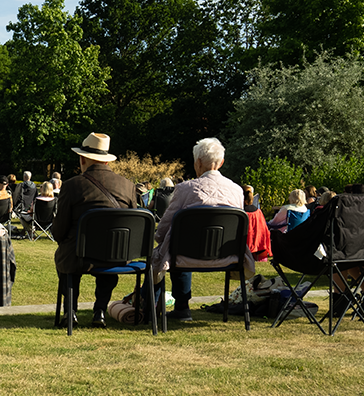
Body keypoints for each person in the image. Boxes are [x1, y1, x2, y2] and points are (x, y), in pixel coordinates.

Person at [149, 137, 254, 321]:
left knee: (174, 246)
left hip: (184, 256)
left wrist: (160, 238)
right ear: (221, 162)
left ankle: (165, 306)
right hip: (228, 256)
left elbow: (163, 229)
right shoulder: (237, 190)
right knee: (180, 244)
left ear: (197, 162)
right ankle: (180, 307)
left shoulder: (184, 189)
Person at [51, 132, 135, 329]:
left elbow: (59, 230)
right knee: (107, 254)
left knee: (66, 258)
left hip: (80, 255)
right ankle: (100, 311)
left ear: (82, 159)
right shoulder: (128, 186)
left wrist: (62, 239)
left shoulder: (72, 185)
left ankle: (70, 311)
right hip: (117, 254)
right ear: (106, 161)